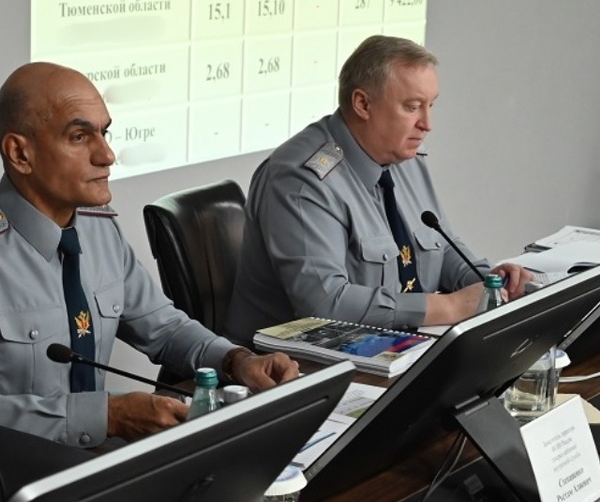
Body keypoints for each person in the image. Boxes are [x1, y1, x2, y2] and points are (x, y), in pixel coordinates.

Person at [0, 61, 298, 454]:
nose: (107, 155)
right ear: (20, 153)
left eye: (104, 133)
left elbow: (164, 328)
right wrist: (109, 416)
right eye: (79, 137)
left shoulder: (98, 228)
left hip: (86, 461)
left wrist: (236, 361)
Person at [225, 36, 531, 344]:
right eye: (413, 107)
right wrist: (449, 306)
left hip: (392, 346)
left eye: (431, 105)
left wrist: (488, 283)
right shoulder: (302, 180)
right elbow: (324, 304)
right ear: (363, 104)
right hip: (295, 361)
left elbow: (442, 246)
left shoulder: (404, 155)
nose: (427, 124)